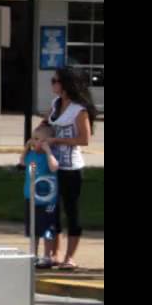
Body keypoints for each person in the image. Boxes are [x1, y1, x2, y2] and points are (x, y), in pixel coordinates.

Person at [42, 67, 98, 271]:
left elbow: (85, 139)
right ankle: (52, 255)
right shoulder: (56, 104)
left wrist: (57, 139)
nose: (52, 84)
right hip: (50, 166)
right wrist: (37, 137)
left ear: (65, 84)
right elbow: (46, 123)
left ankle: (69, 257)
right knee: (50, 211)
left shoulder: (78, 109)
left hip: (70, 168)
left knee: (71, 211)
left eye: (55, 80)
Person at [22, 124, 60, 269]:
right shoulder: (31, 155)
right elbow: (21, 162)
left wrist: (48, 150)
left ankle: (47, 256)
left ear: (46, 141)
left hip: (47, 200)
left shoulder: (50, 155)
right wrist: (26, 148)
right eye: (32, 138)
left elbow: (54, 167)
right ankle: (34, 254)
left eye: (37, 139)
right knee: (33, 228)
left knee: (47, 228)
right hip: (32, 199)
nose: (33, 141)